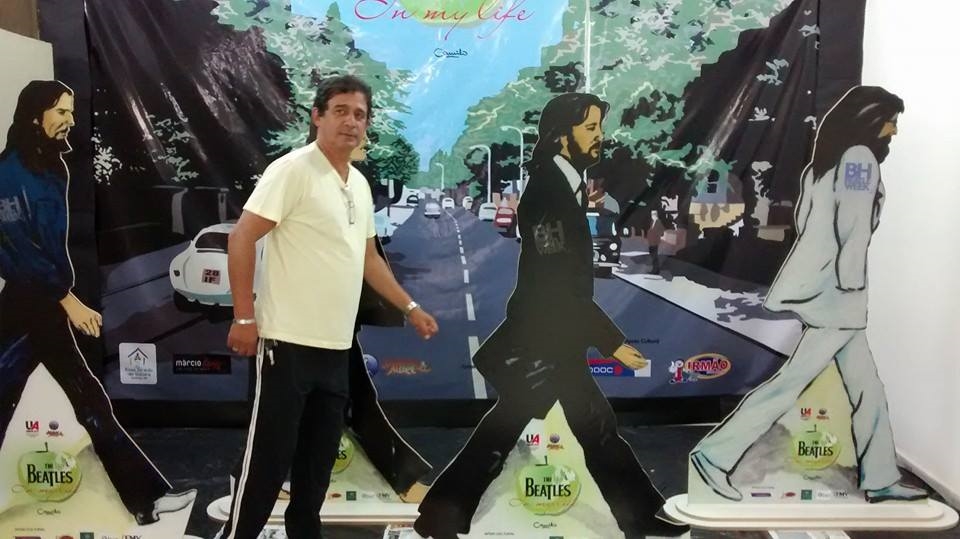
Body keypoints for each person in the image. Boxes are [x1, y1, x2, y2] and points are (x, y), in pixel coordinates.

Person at [414, 93, 687, 539]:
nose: (600, 137)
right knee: (583, 429)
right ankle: (640, 516)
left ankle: (442, 514)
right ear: (562, 136)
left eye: (600, 127)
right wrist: (611, 342)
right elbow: (556, 279)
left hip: (554, 335)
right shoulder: (547, 192)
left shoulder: (564, 186)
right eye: (591, 128)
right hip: (542, 339)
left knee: (562, 428)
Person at [220, 74, 439, 539]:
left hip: (335, 348)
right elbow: (241, 238)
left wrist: (410, 306)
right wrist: (244, 316)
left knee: (316, 467)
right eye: (340, 111)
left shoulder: (357, 183)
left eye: (359, 114)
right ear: (317, 116)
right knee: (267, 464)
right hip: (286, 346)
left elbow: (369, 258)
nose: (351, 122)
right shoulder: (293, 170)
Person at [690, 86, 927, 504]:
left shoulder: (822, 165)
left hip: (829, 291)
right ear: (870, 119)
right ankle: (714, 455)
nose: (894, 130)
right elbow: (853, 224)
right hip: (838, 295)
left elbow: (805, 221)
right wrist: (851, 284)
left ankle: (880, 478)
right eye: (891, 121)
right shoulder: (860, 159)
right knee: (790, 384)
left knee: (867, 389)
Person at [0, 80, 195, 524]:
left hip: (41, 302)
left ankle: (146, 501)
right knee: (87, 399)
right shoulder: (8, 174)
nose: (70, 121)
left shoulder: (53, 168)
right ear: (34, 116)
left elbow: (49, 247)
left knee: (85, 398)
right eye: (61, 112)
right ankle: (147, 500)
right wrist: (67, 299)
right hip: (28, 304)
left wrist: (60, 296)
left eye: (71, 112)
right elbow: (16, 250)